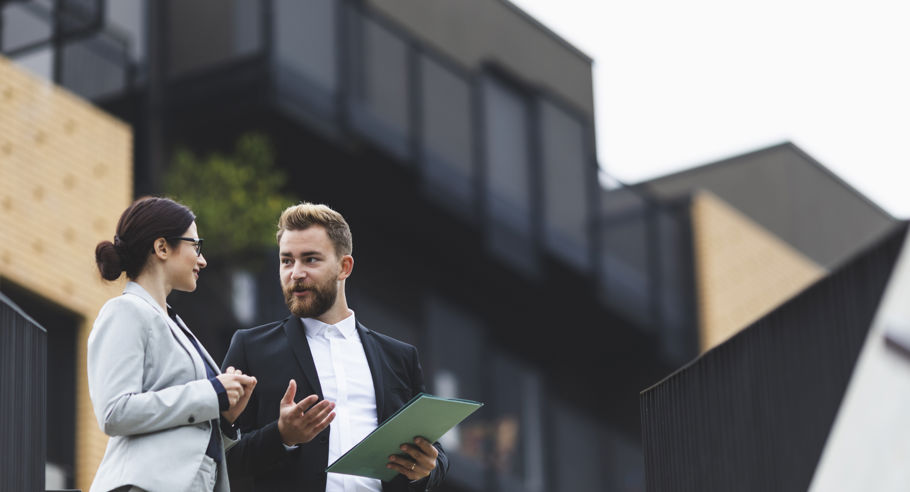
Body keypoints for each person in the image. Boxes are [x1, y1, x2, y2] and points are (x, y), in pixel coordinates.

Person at [222, 203, 448, 492]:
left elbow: (434, 455)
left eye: (311, 260)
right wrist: (281, 436)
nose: (296, 273)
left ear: (344, 267)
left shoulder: (399, 357)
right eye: (287, 261)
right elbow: (218, 454)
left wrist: (426, 468)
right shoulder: (251, 348)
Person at [88, 196, 257, 492]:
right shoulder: (125, 311)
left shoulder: (174, 324)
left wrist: (225, 417)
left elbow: (189, 436)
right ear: (162, 247)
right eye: (195, 245)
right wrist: (212, 392)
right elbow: (114, 411)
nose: (202, 259)